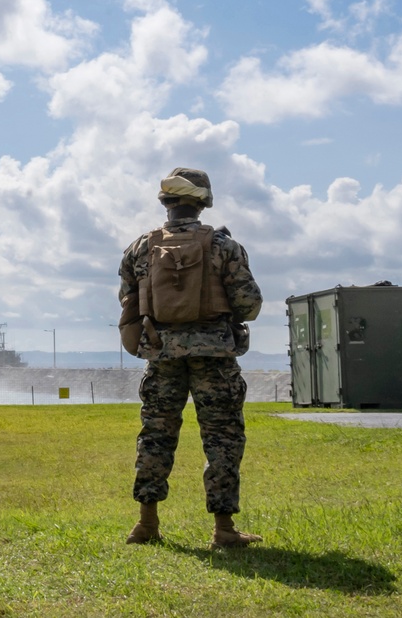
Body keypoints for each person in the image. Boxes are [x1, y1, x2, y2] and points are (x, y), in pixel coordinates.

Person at [118, 167, 263, 549]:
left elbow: (128, 301)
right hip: (214, 355)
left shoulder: (140, 247)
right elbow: (248, 305)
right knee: (222, 438)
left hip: (161, 354)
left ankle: (146, 524)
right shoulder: (223, 246)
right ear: (202, 202)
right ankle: (223, 528)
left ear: (166, 203)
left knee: (155, 437)